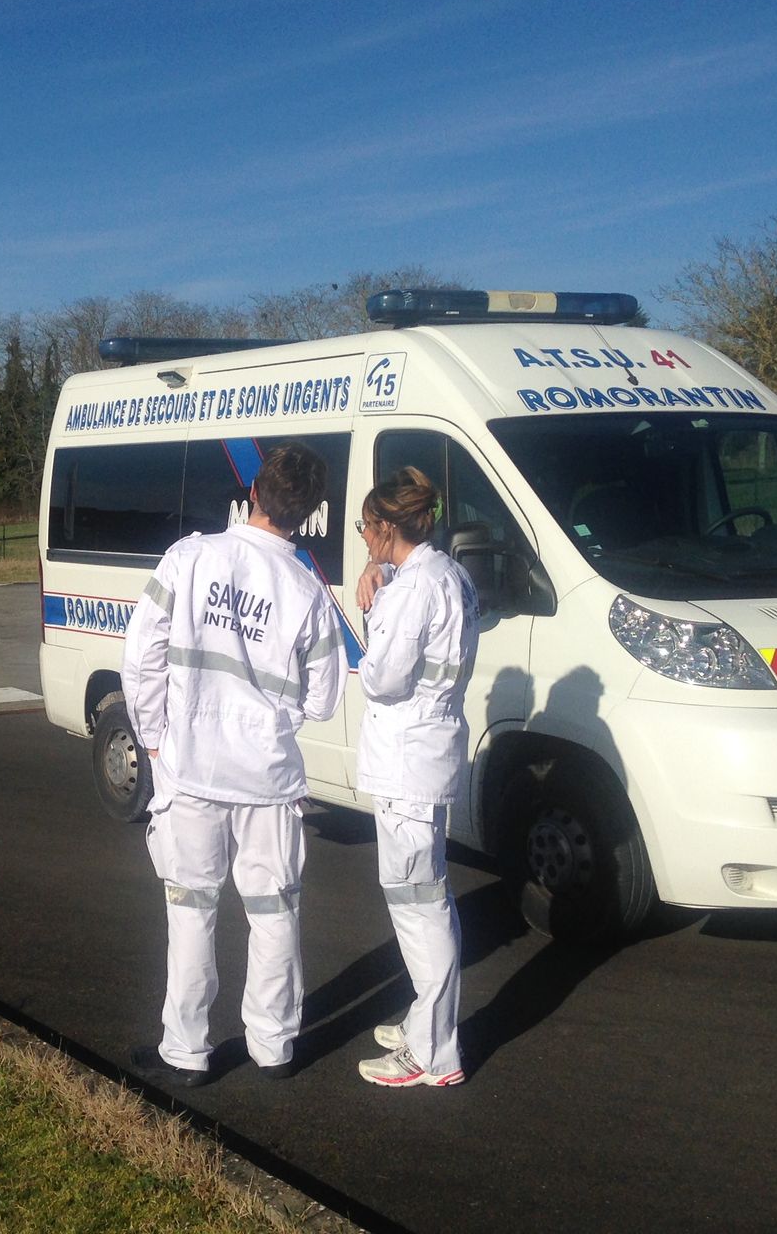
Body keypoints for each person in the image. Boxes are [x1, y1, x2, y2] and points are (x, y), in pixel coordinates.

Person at [121, 442, 347, 1086]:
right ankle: (273, 1047)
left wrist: (157, 742)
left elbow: (141, 661)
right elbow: (324, 699)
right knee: (273, 913)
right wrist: (275, 720)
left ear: (253, 494)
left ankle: (187, 1051)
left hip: (191, 771)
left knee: (192, 911)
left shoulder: (189, 559)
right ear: (310, 513)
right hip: (268, 780)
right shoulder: (307, 589)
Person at [352, 465, 479, 1089]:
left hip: (407, 761)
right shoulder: (449, 574)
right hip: (429, 752)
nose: (362, 538)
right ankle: (429, 1024)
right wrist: (379, 575)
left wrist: (370, 612)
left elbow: (382, 678)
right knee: (430, 898)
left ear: (385, 527)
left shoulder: (408, 593)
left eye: (364, 529)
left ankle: (433, 1055)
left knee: (416, 906)